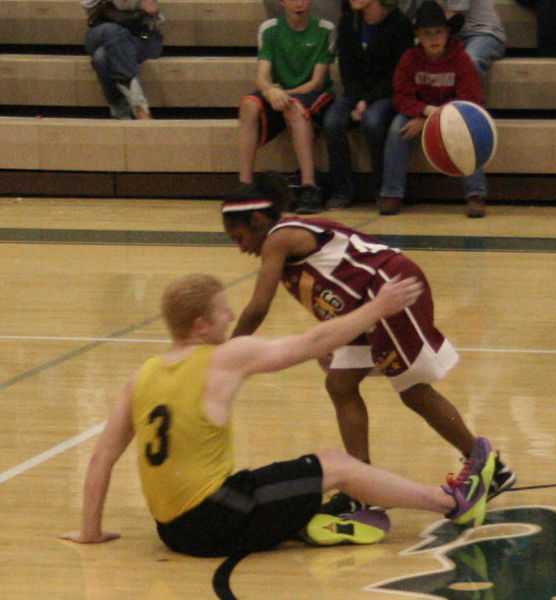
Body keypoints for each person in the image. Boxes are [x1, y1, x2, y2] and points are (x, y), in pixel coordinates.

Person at [60, 272, 496, 557]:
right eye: (222, 310)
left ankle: (308, 523)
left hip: (171, 532)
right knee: (336, 464)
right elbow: (310, 343)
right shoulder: (224, 357)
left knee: (290, 479)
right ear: (200, 326)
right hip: (216, 517)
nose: (232, 314)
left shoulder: (142, 375)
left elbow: (102, 457)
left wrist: (90, 532)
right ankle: (453, 503)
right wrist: (377, 308)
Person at [222, 171, 515, 518]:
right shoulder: (291, 238)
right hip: (366, 301)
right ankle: (363, 485)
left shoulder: (278, 238)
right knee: (340, 384)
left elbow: (258, 307)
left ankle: (488, 466)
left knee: (413, 390)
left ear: (257, 220)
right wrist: (332, 334)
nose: (241, 248)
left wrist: (225, 355)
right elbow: (333, 284)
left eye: (239, 237)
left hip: (389, 289)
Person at [379, 1, 489, 218]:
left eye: (438, 32)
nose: (434, 38)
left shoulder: (461, 58)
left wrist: (436, 117)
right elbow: (401, 97)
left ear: (448, 33)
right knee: (396, 130)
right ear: (418, 35)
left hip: (455, 114)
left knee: (470, 132)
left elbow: (472, 99)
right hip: (420, 112)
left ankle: (475, 194)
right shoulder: (409, 58)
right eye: (427, 33)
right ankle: (391, 193)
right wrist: (425, 112)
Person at [238, 0, 335, 215]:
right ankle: (244, 187)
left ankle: (309, 186)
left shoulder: (324, 29)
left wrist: (283, 95)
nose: (298, 3)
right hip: (279, 93)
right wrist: (271, 91)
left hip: (313, 95)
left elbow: (316, 82)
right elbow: (262, 78)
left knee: (294, 108)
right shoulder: (270, 29)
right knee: (249, 105)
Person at [322, 0, 415, 209]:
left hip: (386, 94)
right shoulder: (348, 22)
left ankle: (382, 189)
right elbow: (347, 69)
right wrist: (357, 100)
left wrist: (368, 101)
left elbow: (397, 74)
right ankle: (342, 190)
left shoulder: (399, 24)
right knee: (332, 121)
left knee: (373, 121)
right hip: (356, 95)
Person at [81, 0, 164, 119]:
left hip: (141, 36)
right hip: (103, 31)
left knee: (101, 57)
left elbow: (151, 11)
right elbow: (87, 5)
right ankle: (139, 106)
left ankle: (119, 108)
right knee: (112, 31)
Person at [439, 0, 506, 86]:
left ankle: (471, 99)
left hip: (484, 32)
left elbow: (454, 17)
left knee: (470, 61)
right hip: (452, 34)